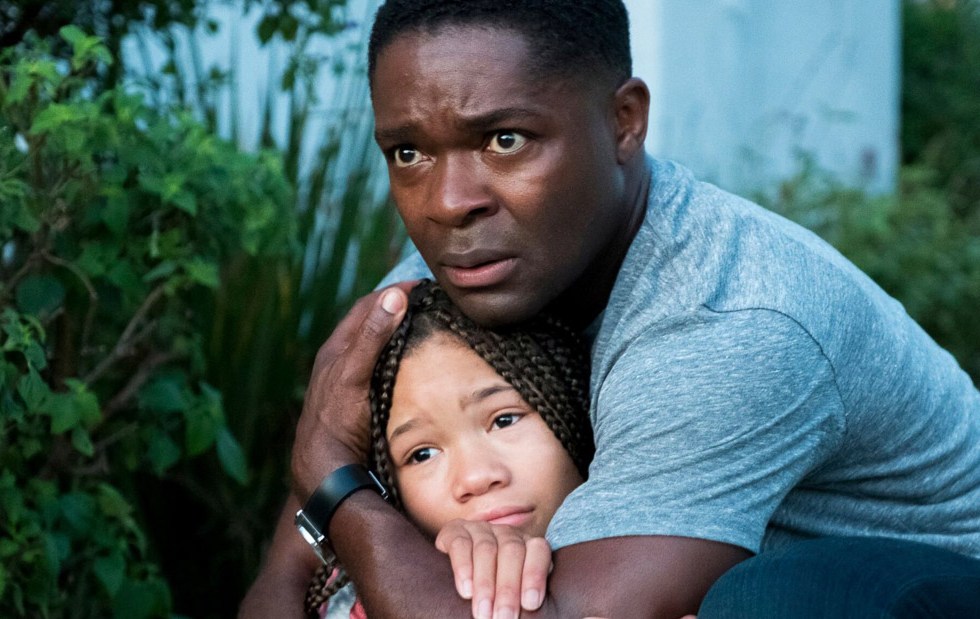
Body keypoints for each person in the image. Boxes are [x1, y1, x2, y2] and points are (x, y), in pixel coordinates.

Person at [240, 1, 980, 617]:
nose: (448, 202)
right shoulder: (459, 274)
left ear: (625, 121)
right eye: (409, 153)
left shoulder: (727, 317)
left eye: (504, 140)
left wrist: (334, 482)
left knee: (767, 600)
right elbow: (281, 590)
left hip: (931, 588)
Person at [305, 279, 594, 618]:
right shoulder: (359, 596)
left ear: (574, 406)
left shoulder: (648, 561)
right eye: (422, 454)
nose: (476, 478)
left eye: (504, 420)